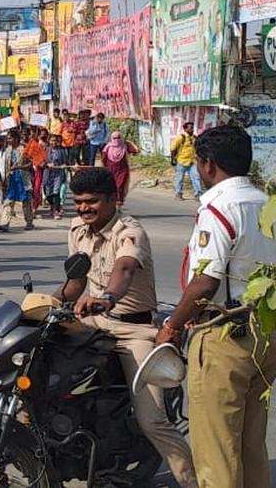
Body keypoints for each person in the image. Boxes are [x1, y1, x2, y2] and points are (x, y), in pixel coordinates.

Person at [157, 125, 276, 488]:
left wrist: (171, 326)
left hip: (225, 335)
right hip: (265, 330)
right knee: (251, 446)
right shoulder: (272, 208)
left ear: (208, 164)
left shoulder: (218, 209)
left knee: (216, 453)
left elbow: (205, 282)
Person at [59, 168, 199, 488]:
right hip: (93, 323)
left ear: (113, 199)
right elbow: (75, 283)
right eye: (78, 202)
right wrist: (43, 305)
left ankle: (193, 482)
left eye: (92, 201)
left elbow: (123, 270)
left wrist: (106, 299)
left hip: (134, 332)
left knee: (152, 420)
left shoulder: (130, 232)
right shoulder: (77, 229)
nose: (84, 208)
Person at [0, 129, 34, 231]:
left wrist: (19, 167)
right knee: (8, 201)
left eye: (10, 138)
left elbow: (30, 163)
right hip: (11, 179)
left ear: (16, 138)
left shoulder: (24, 149)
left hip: (23, 179)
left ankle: (29, 222)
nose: (8, 140)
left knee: (26, 202)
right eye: (7, 138)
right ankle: (5, 223)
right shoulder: (7, 150)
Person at [101, 131, 140, 205]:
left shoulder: (125, 146)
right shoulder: (107, 147)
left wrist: (130, 143)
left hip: (122, 170)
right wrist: (104, 169)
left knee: (120, 185)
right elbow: (103, 160)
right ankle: (112, 200)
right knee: (111, 185)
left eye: (118, 138)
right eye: (114, 138)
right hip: (111, 169)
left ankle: (119, 200)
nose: (117, 140)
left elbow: (136, 151)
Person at [170, 122, 203, 200]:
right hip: (182, 161)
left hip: (192, 161)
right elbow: (173, 149)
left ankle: (198, 194)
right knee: (180, 178)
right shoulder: (181, 137)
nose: (192, 129)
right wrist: (173, 159)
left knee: (196, 177)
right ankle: (178, 194)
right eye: (190, 128)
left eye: (192, 128)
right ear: (185, 129)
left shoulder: (194, 138)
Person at [42, 134, 72, 219]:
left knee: (56, 192)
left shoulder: (62, 151)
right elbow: (41, 162)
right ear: (49, 141)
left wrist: (64, 165)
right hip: (48, 173)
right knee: (48, 193)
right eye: (52, 140)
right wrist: (47, 164)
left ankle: (56, 211)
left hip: (58, 174)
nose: (54, 142)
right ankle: (52, 206)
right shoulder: (45, 150)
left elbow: (66, 162)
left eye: (55, 140)